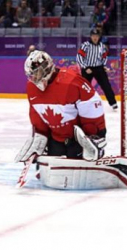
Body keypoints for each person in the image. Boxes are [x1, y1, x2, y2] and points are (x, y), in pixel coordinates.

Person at [15, 50, 111, 189]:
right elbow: (37, 116)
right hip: (57, 137)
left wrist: (95, 135)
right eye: (31, 74)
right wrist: (40, 137)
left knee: (76, 162)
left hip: (78, 139)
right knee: (53, 167)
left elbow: (92, 108)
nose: (34, 77)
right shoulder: (31, 88)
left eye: (37, 72)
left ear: (47, 67)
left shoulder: (72, 82)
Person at [76, 28, 117, 110]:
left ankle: (113, 103)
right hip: (87, 68)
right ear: (91, 36)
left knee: (106, 85)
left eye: (97, 36)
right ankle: (81, 104)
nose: (95, 37)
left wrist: (103, 65)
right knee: (84, 87)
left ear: (99, 37)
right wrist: (85, 67)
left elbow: (104, 56)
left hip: (99, 68)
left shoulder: (102, 46)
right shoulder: (85, 45)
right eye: (93, 36)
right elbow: (79, 57)